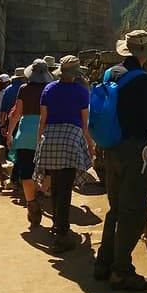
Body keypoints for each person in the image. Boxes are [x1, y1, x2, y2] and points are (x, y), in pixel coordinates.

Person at [94, 30, 147, 291]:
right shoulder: (143, 80)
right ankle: (121, 271)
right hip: (135, 150)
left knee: (115, 206)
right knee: (133, 210)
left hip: (110, 148)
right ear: (145, 54)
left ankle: (104, 263)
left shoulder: (110, 74)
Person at [34, 55, 94, 253]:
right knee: (65, 188)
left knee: (56, 186)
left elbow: (43, 119)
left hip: (50, 139)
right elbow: (84, 123)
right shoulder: (81, 91)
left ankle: (57, 226)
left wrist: (40, 141)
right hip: (70, 140)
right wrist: (90, 145)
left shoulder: (49, 89)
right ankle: (62, 234)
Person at [7, 59, 54, 226]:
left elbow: (16, 113)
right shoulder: (51, 90)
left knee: (26, 172)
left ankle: (31, 202)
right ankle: (41, 194)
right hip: (46, 134)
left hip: (26, 133)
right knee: (49, 169)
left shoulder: (24, 89)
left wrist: (9, 134)